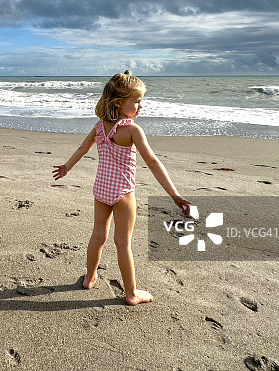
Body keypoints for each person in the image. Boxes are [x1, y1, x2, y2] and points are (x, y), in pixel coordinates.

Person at [52, 71, 190, 306]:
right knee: (123, 243)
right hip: (123, 193)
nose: (140, 106)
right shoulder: (132, 130)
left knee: (98, 236)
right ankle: (131, 293)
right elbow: (152, 161)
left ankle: (89, 277)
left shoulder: (100, 126)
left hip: (101, 190)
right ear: (118, 102)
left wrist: (67, 167)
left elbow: (83, 149)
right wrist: (174, 194)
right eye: (136, 101)